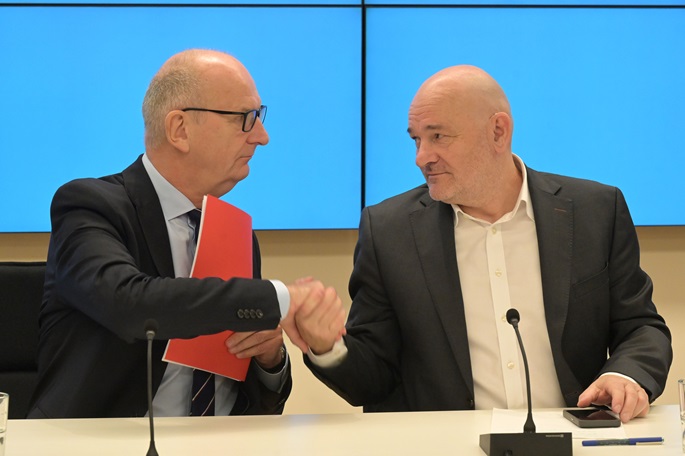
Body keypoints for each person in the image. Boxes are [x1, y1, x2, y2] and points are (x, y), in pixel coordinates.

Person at [301, 65, 672, 423]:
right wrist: (327, 347)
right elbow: (374, 379)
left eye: (438, 136)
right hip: (446, 446)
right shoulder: (388, 231)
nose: (422, 157)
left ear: (498, 131)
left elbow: (641, 327)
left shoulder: (595, 211)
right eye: (416, 139)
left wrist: (625, 375)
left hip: (572, 439)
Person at [27, 49, 343, 418]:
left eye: (260, 117)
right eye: (245, 118)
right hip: (107, 440)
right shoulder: (90, 206)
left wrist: (269, 359)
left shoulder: (237, 233)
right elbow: (130, 304)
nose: (262, 136)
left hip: (223, 441)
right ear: (180, 129)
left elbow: (255, 401)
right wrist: (281, 298)